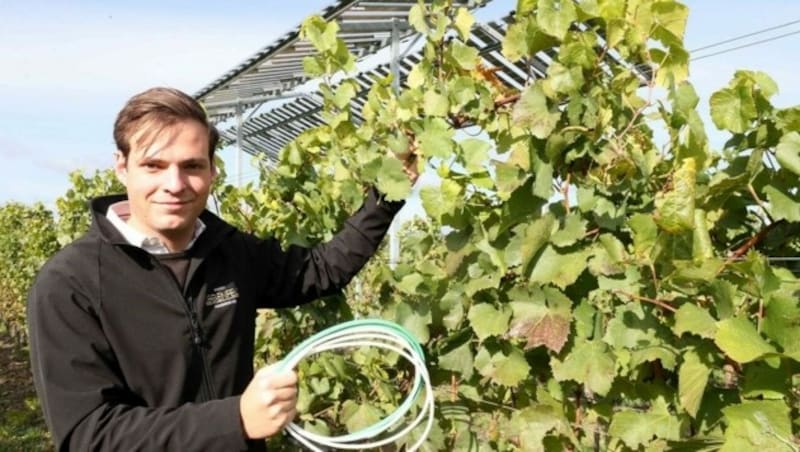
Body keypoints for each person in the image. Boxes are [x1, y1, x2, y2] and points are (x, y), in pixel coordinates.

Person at [27, 87, 418, 451]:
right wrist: (234, 420)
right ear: (122, 167)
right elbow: (87, 435)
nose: (175, 184)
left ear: (212, 170)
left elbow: (321, 270)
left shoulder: (229, 252)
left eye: (192, 166)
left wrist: (385, 198)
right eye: (154, 165)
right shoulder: (71, 284)